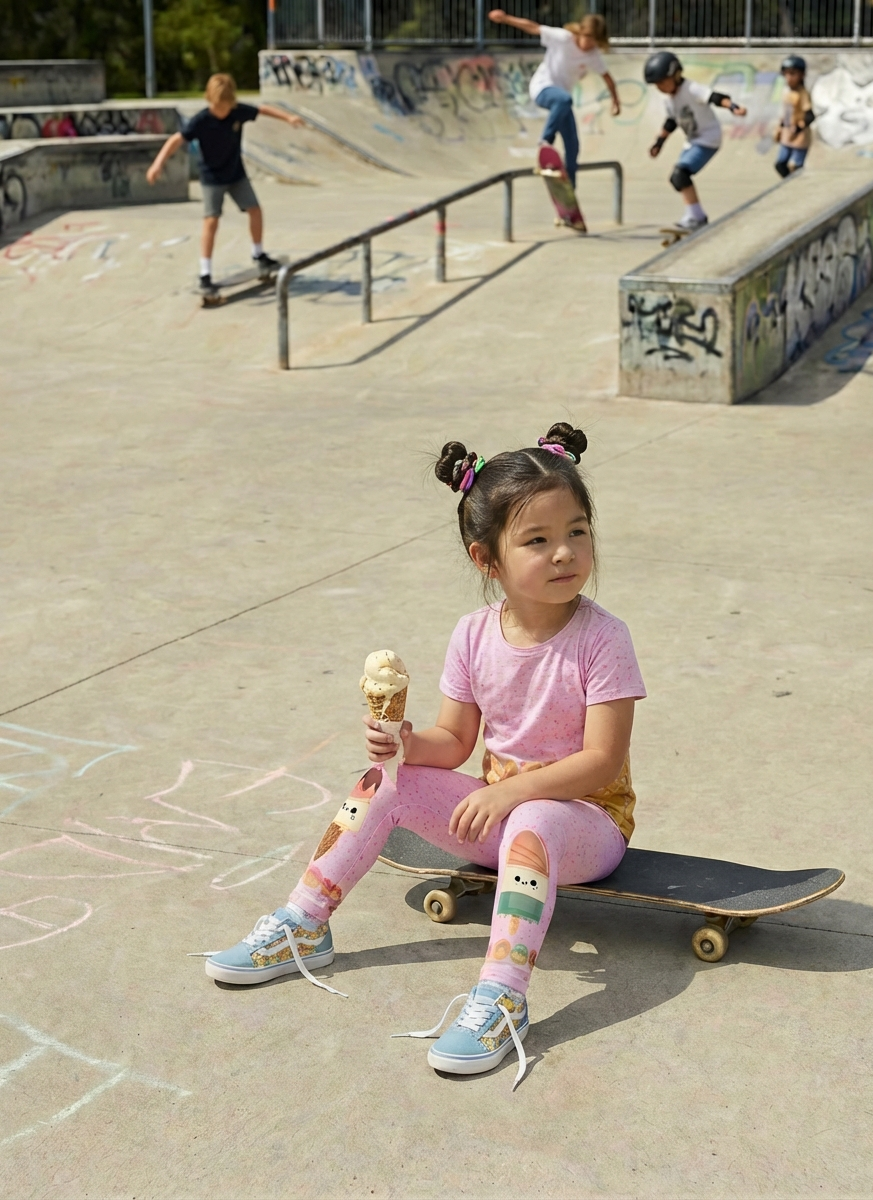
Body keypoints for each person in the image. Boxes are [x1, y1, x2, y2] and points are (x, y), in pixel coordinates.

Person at [204, 422, 647, 1088]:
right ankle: (304, 926)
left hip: (584, 824)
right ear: (486, 560)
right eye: (538, 540)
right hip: (499, 823)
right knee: (385, 778)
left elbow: (602, 763)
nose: (564, 553)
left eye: (577, 532)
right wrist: (407, 745)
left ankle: (502, 998)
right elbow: (457, 742)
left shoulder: (603, 639)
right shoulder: (473, 636)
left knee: (532, 822)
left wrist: (507, 794)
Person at [146, 73, 304, 298]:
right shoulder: (201, 120)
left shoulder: (238, 111)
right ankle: (205, 273)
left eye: (226, 107)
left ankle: (258, 254)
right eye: (218, 107)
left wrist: (288, 118)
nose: (223, 111)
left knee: (255, 211)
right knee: (211, 221)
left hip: (236, 174)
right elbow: (176, 139)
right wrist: (157, 164)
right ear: (210, 101)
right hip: (212, 178)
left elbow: (262, 110)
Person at [488, 10, 621, 191]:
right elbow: (533, 27)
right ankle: (545, 142)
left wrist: (616, 101)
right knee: (565, 99)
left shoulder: (593, 54)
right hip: (542, 88)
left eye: (594, 41)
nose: (589, 45)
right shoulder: (563, 38)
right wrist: (505, 19)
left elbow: (607, 77)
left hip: (562, 102)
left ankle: (569, 195)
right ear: (581, 32)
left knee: (573, 147)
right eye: (587, 38)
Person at [644, 51, 747, 233]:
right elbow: (671, 122)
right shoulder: (670, 101)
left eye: (662, 82)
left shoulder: (691, 89)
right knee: (676, 179)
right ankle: (695, 214)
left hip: (708, 138)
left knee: (681, 174)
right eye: (656, 85)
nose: (659, 87)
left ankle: (696, 217)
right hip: (693, 141)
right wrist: (659, 143)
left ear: (675, 74)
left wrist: (732, 106)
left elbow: (715, 97)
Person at [774, 55, 814, 178]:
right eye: (786, 74)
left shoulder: (802, 93)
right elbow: (786, 112)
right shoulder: (787, 92)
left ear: (801, 75)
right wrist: (780, 127)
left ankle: (797, 187)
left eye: (793, 74)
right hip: (787, 134)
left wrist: (799, 127)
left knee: (796, 166)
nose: (789, 78)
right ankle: (788, 184)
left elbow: (810, 115)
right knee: (780, 164)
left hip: (800, 136)